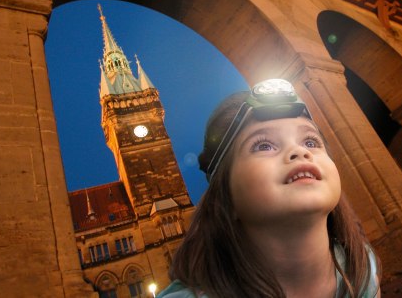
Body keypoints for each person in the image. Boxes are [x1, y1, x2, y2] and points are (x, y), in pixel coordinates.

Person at [158, 79, 381, 298]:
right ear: (225, 197)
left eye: (311, 142)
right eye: (264, 145)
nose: (299, 151)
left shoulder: (362, 269)